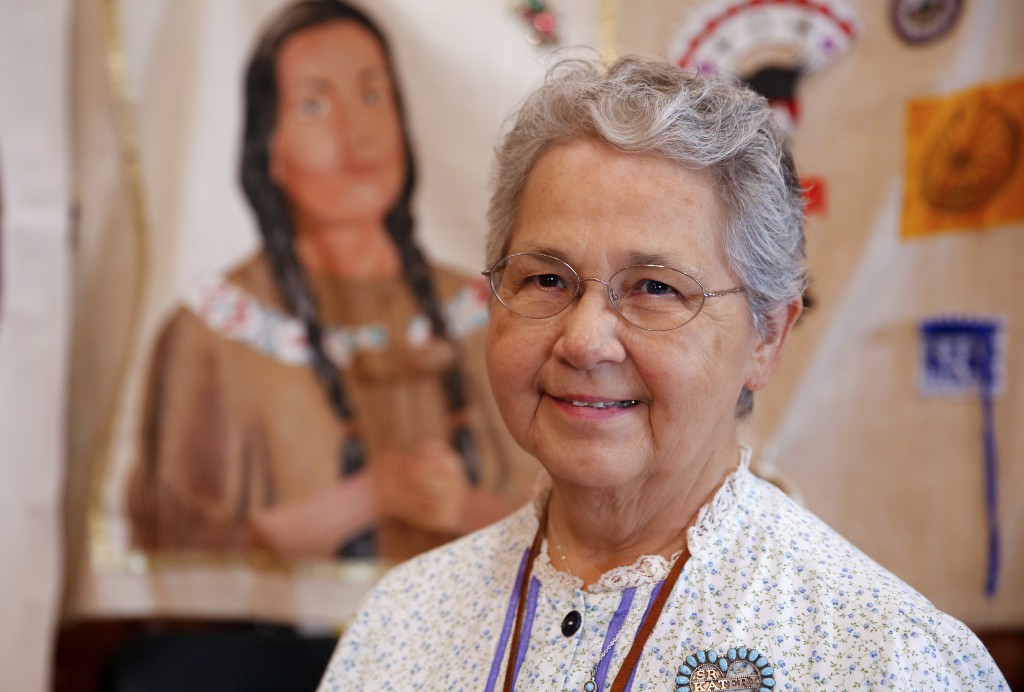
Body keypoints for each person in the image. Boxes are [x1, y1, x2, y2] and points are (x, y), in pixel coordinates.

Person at [318, 55, 1009, 690]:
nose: (585, 341)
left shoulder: (891, 659)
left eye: (655, 288)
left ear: (766, 335)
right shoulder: (398, 626)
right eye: (547, 278)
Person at [126, 0, 536, 565]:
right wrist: (365, 499)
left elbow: (571, 521)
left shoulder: (488, 316)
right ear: (267, 146)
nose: (358, 136)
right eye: (315, 105)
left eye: (373, 95)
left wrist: (459, 505)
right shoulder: (209, 335)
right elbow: (172, 560)